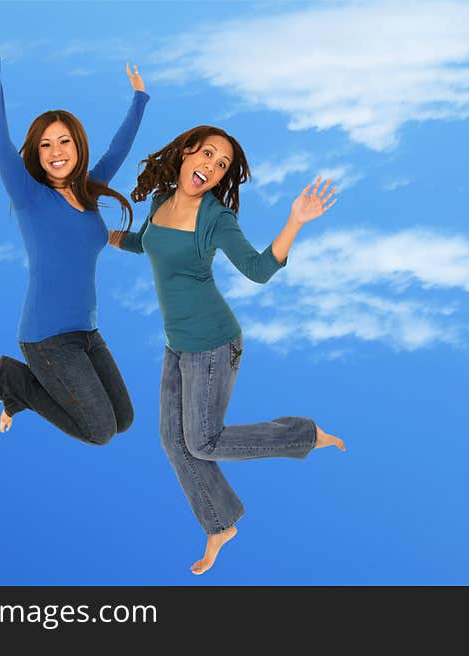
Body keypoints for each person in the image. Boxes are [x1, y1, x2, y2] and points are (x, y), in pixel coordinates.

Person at [109, 126, 345, 574]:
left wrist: (294, 220)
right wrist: (104, 235)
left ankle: (304, 435)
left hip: (214, 344)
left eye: (222, 166)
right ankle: (220, 524)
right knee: (173, 441)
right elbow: (146, 243)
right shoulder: (161, 202)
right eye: (209, 155)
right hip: (176, 345)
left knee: (203, 440)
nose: (213, 168)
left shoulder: (215, 218)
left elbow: (257, 269)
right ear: (185, 152)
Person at [0, 11, 149, 444]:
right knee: (100, 431)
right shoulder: (29, 197)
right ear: (38, 154)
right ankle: (12, 380)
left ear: (77, 145)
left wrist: (140, 99)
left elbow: (119, 148)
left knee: (124, 419)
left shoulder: (89, 193)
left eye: (64, 140)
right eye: (45, 144)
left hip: (87, 332)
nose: (55, 150)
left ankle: (19, 387)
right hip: (46, 339)